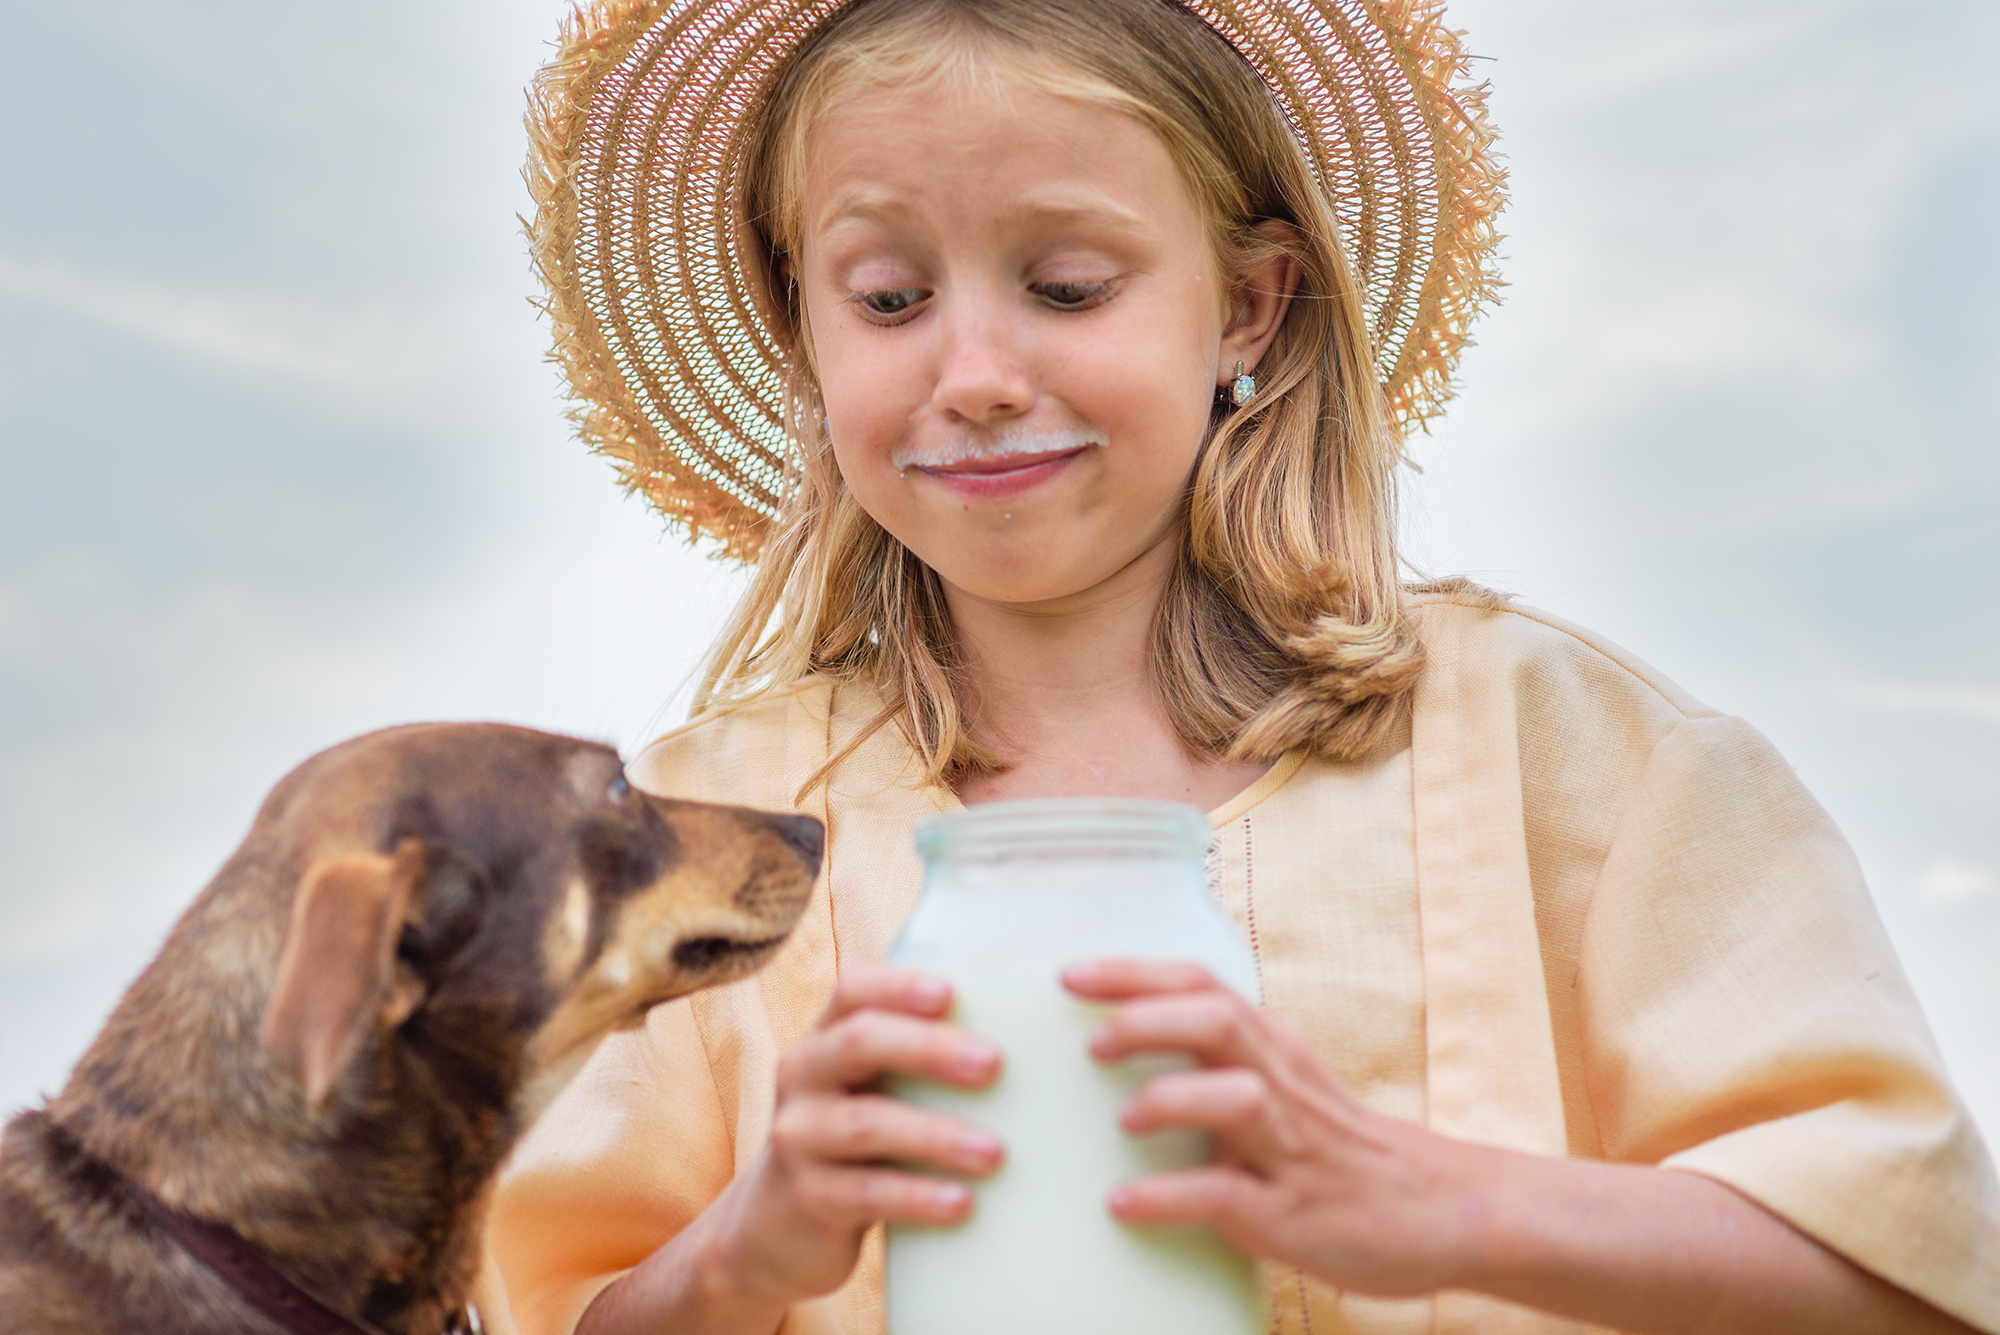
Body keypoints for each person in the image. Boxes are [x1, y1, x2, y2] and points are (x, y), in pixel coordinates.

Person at [483, 0, 2000, 1331]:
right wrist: (748, 1254)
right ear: (805, 328)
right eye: (888, 298)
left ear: (1250, 305)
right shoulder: (690, 839)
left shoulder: (1579, 755)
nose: (980, 375)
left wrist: (1446, 1207)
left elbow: (1909, 1266)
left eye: (1071, 285)